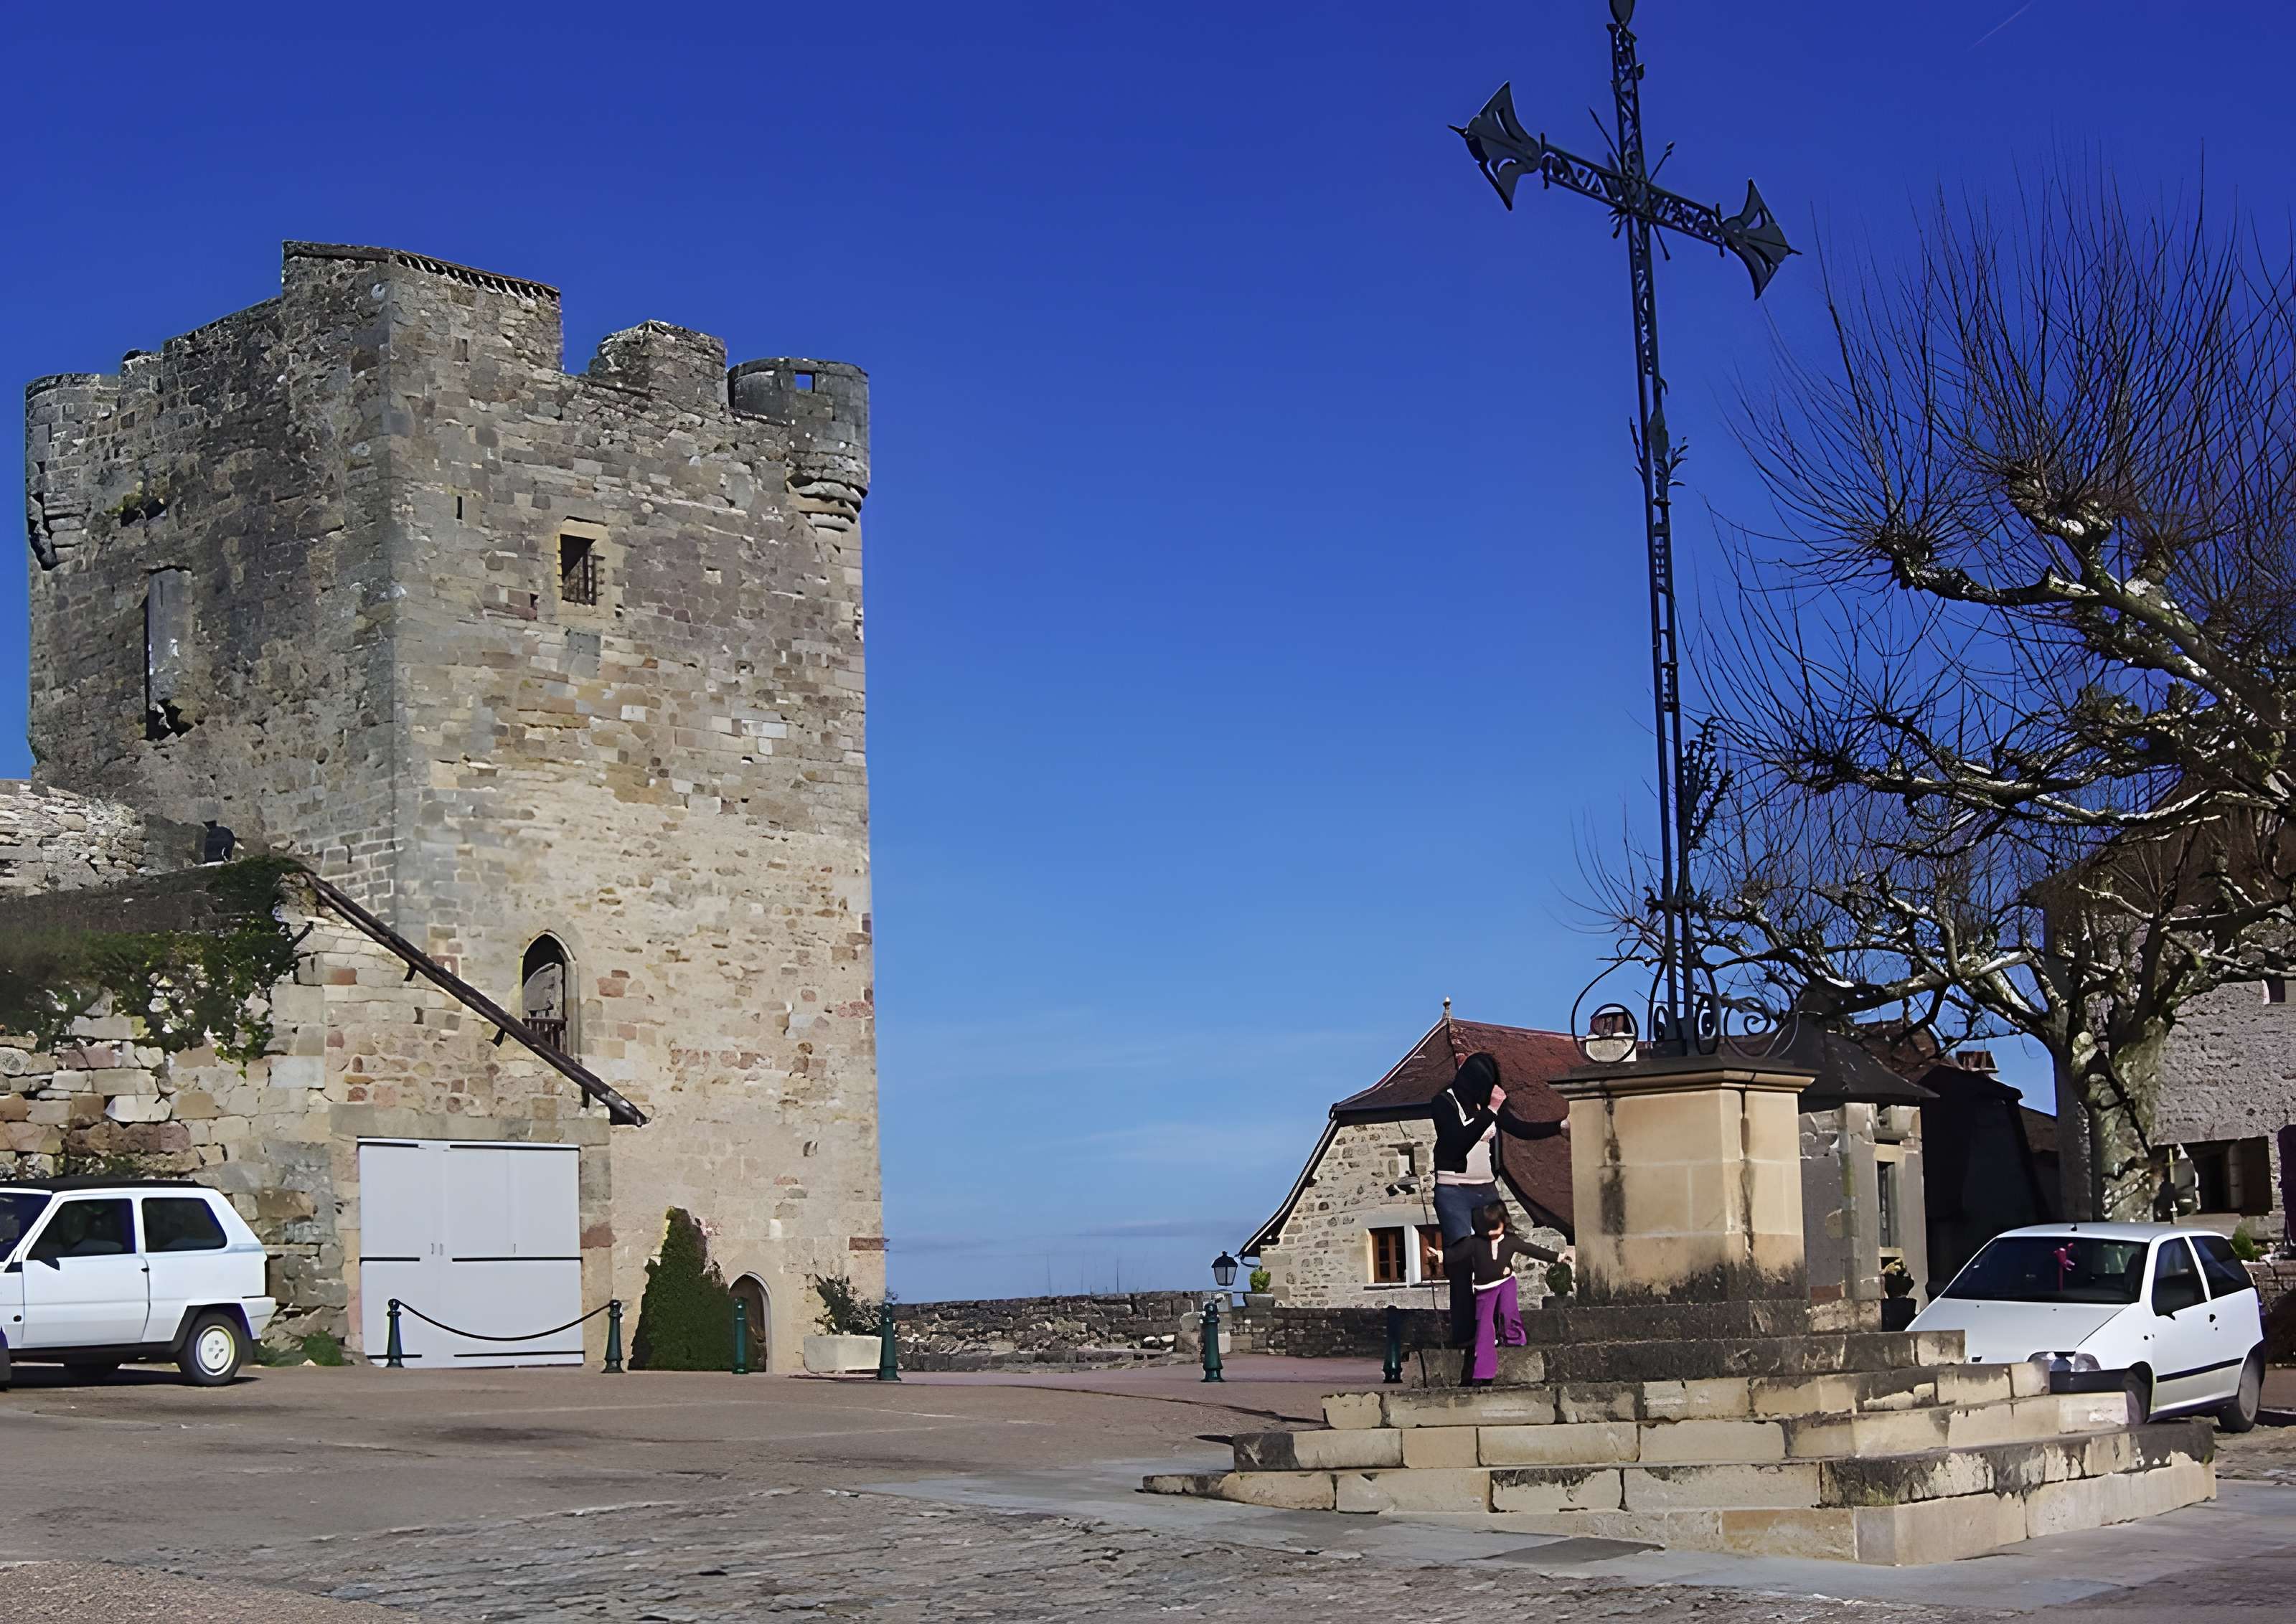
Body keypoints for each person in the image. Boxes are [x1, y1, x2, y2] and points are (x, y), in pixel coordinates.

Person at [1431, 1051, 1565, 1349]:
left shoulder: (1484, 1102)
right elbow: (1458, 1142)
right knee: (1464, 1260)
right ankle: (1466, 1335)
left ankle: (1496, 1331)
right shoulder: (1443, 1103)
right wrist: (1490, 1111)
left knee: (1496, 1257)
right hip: (1453, 1190)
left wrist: (1558, 1128)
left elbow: (1517, 1127)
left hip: (1486, 1190)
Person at [1466, 1202, 1546, 1383]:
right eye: (1486, 1230)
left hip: (1506, 1282)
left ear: (1504, 1222)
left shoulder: (1510, 1241)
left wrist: (1557, 1257)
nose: (1491, 1233)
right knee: (1484, 1326)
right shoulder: (1475, 1243)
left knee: (1509, 1311)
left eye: (1495, 1228)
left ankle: (1514, 1339)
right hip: (1484, 1289)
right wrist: (1440, 1256)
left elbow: (1533, 1250)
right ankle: (1483, 1372)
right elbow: (1457, 1253)